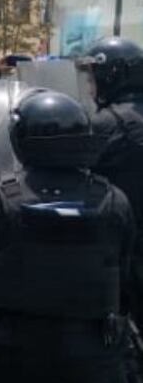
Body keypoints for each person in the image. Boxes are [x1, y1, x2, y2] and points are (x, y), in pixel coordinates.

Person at [0, 89, 135, 383]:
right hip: (93, 351)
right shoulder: (113, 199)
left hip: (15, 350)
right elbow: (125, 268)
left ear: (20, 139)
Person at [86, 37, 143, 326]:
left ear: (112, 75)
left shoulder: (108, 124)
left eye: (93, 78)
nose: (89, 87)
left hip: (125, 252)